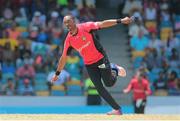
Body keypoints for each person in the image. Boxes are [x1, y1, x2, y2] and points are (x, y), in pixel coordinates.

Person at [51, 15, 133, 115]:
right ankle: (117, 109)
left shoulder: (85, 27)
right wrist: (57, 73)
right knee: (99, 88)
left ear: (74, 21)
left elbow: (103, 23)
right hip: (89, 64)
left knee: (109, 84)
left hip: (100, 58)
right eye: (65, 23)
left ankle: (114, 69)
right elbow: (63, 58)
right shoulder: (68, 40)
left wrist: (120, 21)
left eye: (68, 21)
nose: (67, 24)